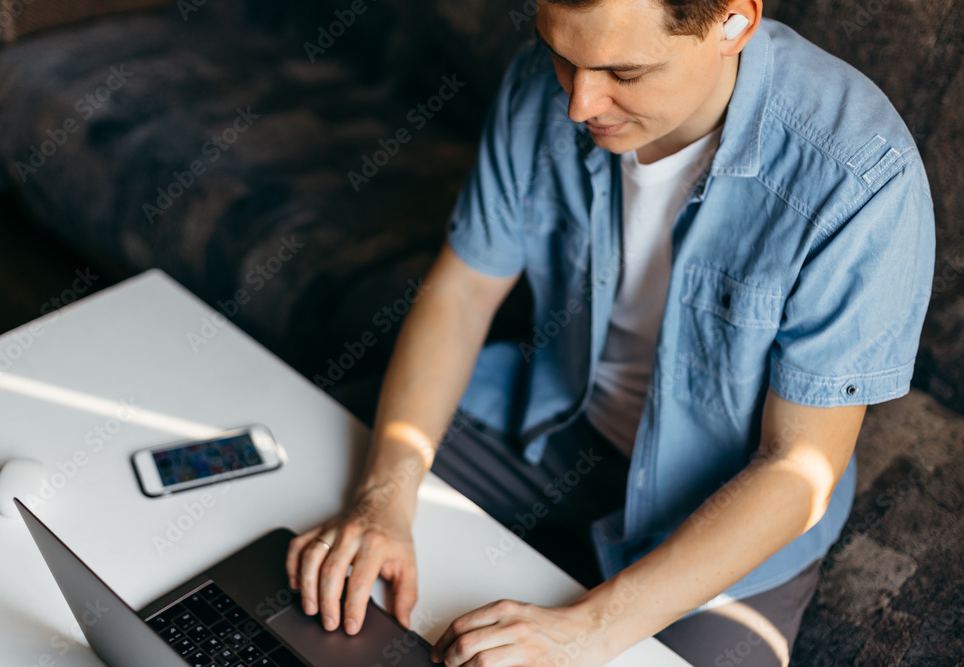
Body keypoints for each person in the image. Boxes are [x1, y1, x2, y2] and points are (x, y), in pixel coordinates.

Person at [285, 0, 935, 664]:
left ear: (734, 24)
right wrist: (383, 500)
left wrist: (589, 628)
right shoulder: (544, 83)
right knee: (305, 520)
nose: (578, 102)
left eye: (624, 71)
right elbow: (462, 292)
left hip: (727, 502)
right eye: (562, 57)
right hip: (549, 420)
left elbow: (796, 467)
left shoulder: (860, 178)